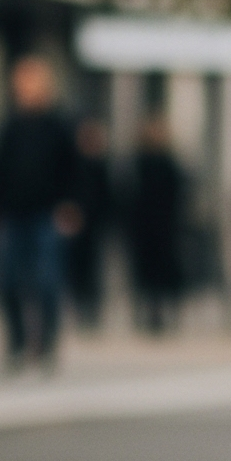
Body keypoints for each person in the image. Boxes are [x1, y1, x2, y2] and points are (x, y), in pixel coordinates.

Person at [0, 55, 81, 368]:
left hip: (47, 214)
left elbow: (74, 170)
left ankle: (47, 342)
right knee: (9, 281)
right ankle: (17, 341)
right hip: (14, 215)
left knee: (47, 281)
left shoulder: (59, 126)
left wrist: (70, 206)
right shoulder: (9, 126)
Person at [125, 115, 187, 333]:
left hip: (165, 227)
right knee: (146, 274)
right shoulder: (138, 164)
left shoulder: (169, 164)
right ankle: (150, 314)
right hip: (145, 227)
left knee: (165, 272)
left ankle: (166, 313)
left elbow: (179, 195)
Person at [67, 117, 113, 329]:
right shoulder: (74, 163)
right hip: (77, 223)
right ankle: (80, 308)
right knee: (78, 268)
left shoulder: (101, 165)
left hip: (95, 224)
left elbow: (107, 196)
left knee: (93, 269)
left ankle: (92, 310)